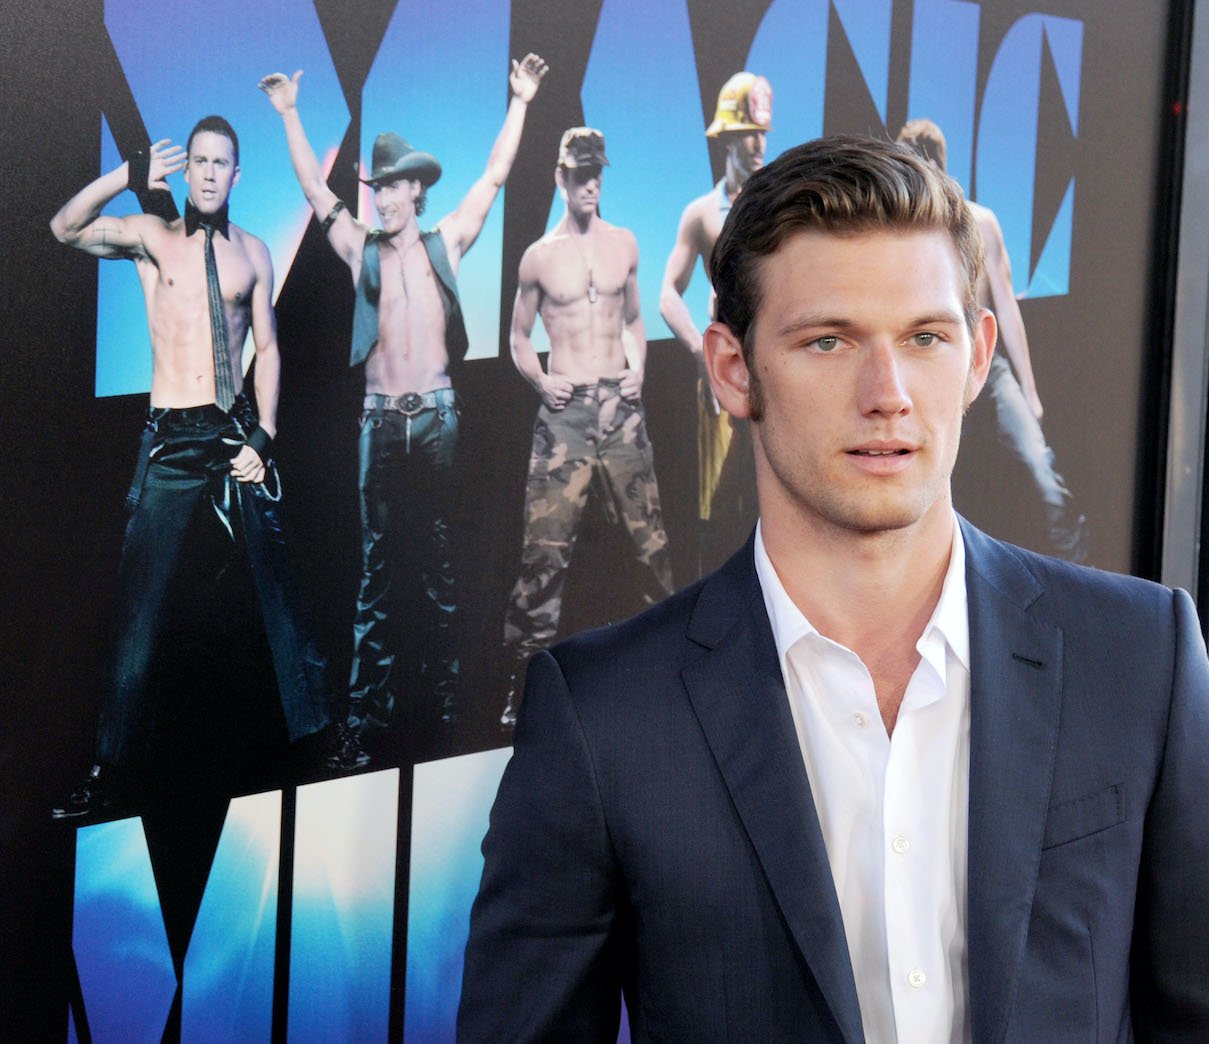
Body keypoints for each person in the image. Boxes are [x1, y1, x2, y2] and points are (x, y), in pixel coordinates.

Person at [459, 136, 1209, 1039]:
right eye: (828, 339)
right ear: (733, 371)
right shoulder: (603, 716)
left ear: (976, 358)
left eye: (924, 337)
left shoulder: (1139, 655)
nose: (887, 393)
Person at [259, 54, 548, 760]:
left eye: (392, 187)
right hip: (381, 420)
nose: (381, 197)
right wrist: (292, 115)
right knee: (376, 578)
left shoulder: (446, 242)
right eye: (376, 187)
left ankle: (450, 713)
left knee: (444, 567)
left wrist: (521, 101)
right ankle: (364, 726)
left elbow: (494, 177)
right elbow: (310, 188)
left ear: (415, 190)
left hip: (441, 416)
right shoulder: (361, 249)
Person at [50, 117, 332, 819]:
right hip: (172, 437)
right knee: (139, 608)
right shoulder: (154, 240)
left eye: (220, 163)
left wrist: (263, 437)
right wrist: (127, 173)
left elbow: (267, 349)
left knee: (281, 593)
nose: (207, 173)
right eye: (199, 161)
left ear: (237, 175)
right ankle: (108, 769)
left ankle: (323, 740)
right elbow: (63, 227)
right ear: (188, 172)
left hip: (233, 431)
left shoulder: (256, 254)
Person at [499, 127, 674, 727]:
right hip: (566, 408)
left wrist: (639, 369)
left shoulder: (624, 244)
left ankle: (676, 677)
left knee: (649, 549)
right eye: (580, 173)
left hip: (619, 408)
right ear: (561, 176)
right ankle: (524, 685)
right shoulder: (539, 257)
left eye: (598, 171)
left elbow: (633, 319)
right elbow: (519, 337)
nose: (591, 183)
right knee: (544, 555)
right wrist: (541, 381)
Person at [897, 118, 1089, 561]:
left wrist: (1031, 392)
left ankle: (1081, 578)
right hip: (929, 368)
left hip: (988, 363)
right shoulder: (902, 238)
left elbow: (1007, 310)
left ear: (932, 163)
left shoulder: (981, 224)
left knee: (1040, 471)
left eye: (913, 166)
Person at [660, 71, 771, 574]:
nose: (759, 143)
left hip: (775, 363)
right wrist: (702, 354)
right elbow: (668, 294)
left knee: (774, 491)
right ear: (728, 136)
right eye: (750, 131)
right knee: (716, 504)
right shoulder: (702, 213)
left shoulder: (780, 204)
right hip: (727, 369)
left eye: (763, 132)